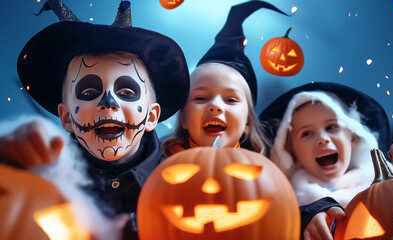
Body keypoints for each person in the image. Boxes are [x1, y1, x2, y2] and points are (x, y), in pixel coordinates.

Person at [0, 0, 189, 238]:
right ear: (67, 117)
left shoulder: (187, 178)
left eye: (127, 92)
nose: (108, 103)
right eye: (89, 93)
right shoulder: (40, 178)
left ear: (151, 116)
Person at [260, 82, 393, 240]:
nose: (322, 139)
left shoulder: (388, 183)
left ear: (353, 137)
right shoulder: (285, 207)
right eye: (306, 133)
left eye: (331, 127)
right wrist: (304, 220)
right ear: (292, 155)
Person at [161, 1, 287, 156]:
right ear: (183, 119)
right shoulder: (158, 166)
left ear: (247, 122)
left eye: (231, 100)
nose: (215, 106)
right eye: (200, 98)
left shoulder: (261, 172)